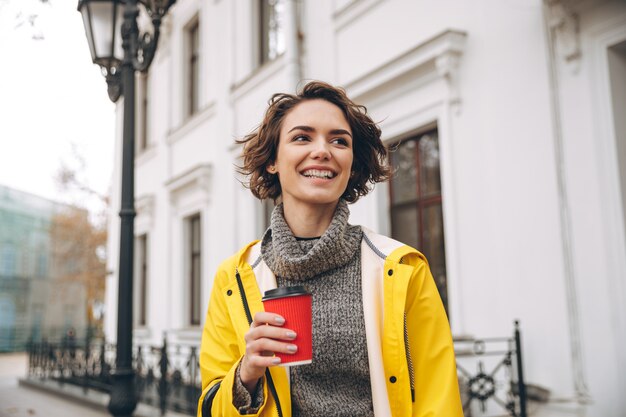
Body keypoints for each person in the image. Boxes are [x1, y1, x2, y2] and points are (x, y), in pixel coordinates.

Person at [197, 81, 463, 417]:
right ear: (272, 161)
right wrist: (246, 374)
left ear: (351, 165)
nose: (323, 150)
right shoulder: (234, 277)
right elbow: (209, 406)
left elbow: (439, 402)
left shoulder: (403, 268)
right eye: (302, 137)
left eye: (339, 140)